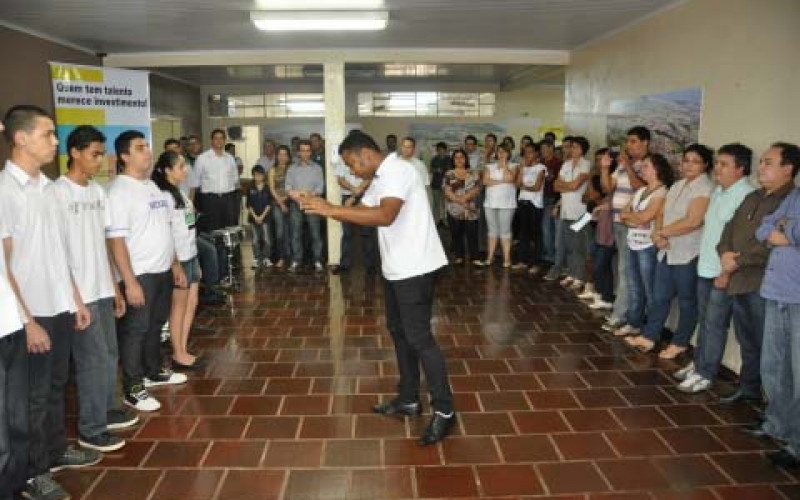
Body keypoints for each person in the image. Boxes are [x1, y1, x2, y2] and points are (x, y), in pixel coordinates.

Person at [299, 132, 455, 445]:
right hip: (397, 268)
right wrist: (319, 204)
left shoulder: (398, 171)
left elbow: (385, 215)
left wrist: (331, 209)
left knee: (420, 338)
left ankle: (445, 411)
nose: (352, 171)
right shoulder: (382, 175)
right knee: (399, 333)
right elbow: (364, 210)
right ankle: (409, 398)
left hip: (416, 268)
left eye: (351, 164)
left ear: (366, 154)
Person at [0, 105, 97, 500]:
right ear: (21, 138)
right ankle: (33, 472)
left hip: (58, 304)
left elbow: (59, 251)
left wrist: (75, 298)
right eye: (48, 134)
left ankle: (55, 450)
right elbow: (4, 265)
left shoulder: (49, 188)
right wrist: (27, 320)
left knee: (57, 384)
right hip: (30, 311)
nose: (56, 142)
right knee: (32, 399)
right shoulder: (5, 192)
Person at [53, 125, 140, 455]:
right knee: (90, 362)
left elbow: (103, 243)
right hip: (79, 294)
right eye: (95, 154)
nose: (101, 160)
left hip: (102, 287)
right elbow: (57, 252)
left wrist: (115, 287)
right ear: (74, 153)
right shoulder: (57, 194)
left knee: (109, 355)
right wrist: (75, 297)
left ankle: (109, 408)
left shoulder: (98, 192)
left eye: (103, 154)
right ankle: (91, 428)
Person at [107, 130, 188, 415]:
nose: (148, 152)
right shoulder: (118, 191)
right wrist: (129, 282)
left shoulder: (154, 188)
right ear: (125, 156)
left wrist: (176, 264)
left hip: (163, 269)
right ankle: (132, 387)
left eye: (148, 146)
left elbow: (166, 229)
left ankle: (153, 371)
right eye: (141, 148)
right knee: (135, 331)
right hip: (139, 274)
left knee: (156, 326)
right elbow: (115, 240)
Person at [675, 144, 767, 395]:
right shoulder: (718, 191)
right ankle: (699, 363)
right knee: (705, 321)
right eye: (717, 163)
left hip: (722, 273)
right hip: (705, 266)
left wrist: (724, 273)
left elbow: (741, 242)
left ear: (741, 168)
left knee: (715, 324)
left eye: (724, 164)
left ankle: (706, 373)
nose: (717, 168)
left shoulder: (746, 195)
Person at [626, 144, 714, 359]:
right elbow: (661, 214)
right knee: (660, 297)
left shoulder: (705, 187)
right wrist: (657, 234)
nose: (689, 165)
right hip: (666, 250)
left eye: (695, 161)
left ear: (705, 165)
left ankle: (680, 342)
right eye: (686, 160)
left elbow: (693, 221)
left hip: (688, 252)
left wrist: (662, 233)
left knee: (686, 300)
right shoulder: (678, 185)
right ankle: (649, 336)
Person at [746, 142, 800, 469]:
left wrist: (787, 230)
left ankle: (796, 444)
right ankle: (778, 424)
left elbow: (782, 229)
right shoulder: (792, 198)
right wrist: (780, 230)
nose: (761, 166)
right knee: (774, 367)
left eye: (768, 162)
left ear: (788, 168)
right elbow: (764, 227)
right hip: (776, 292)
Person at [151, 151, 205, 372]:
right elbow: (165, 232)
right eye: (181, 167)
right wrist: (175, 263)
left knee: (191, 303)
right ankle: (178, 353)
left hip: (190, 253)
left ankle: (182, 348)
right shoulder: (163, 197)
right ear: (167, 171)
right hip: (179, 259)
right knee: (179, 307)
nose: (185, 170)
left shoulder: (179, 193)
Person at [0, 115, 31, 500]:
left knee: (16, 416)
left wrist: (24, 316)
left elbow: (6, 262)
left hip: (11, 320)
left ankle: (16, 483)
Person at [614, 154, 671, 339]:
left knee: (650, 288)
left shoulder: (662, 192)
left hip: (648, 245)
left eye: (646, 166)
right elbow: (624, 213)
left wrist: (634, 218)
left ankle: (652, 329)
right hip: (633, 241)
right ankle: (634, 322)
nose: (641, 170)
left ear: (657, 169)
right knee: (634, 285)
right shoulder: (641, 191)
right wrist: (634, 218)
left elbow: (646, 217)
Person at [600, 127, 648, 332]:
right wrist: (604, 168)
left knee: (627, 270)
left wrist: (628, 165)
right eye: (628, 142)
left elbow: (642, 189)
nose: (629, 145)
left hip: (635, 223)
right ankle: (625, 313)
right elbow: (607, 188)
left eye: (634, 141)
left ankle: (622, 315)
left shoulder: (647, 165)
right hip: (618, 221)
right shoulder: (621, 166)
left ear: (645, 143)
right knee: (624, 268)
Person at [551, 136, 592, 289]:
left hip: (580, 212)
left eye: (575, 147)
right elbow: (556, 185)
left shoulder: (586, 164)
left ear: (582, 150)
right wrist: (566, 185)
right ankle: (572, 273)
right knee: (568, 244)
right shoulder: (566, 164)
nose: (571, 149)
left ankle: (580, 277)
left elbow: (576, 186)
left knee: (578, 245)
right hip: (566, 210)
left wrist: (565, 185)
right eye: (571, 147)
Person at [334, 146, 376, 274]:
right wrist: (354, 190)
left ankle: (370, 266)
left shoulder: (366, 160)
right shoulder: (342, 160)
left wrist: (355, 194)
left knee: (367, 233)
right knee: (347, 234)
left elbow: (370, 178)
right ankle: (344, 265)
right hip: (348, 196)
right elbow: (340, 180)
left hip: (365, 197)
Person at [475, 143, 518, 268]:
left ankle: (507, 259)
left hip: (507, 204)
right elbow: (485, 181)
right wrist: (502, 181)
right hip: (490, 203)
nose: (501, 154)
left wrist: (504, 165)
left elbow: (510, 178)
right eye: (499, 152)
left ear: (509, 153)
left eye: (504, 152)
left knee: (505, 231)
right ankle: (490, 257)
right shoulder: (489, 166)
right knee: (492, 231)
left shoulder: (514, 166)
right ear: (496, 153)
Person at [585, 149, 618, 310]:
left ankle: (605, 295)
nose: (599, 163)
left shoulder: (611, 179)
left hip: (609, 225)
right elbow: (587, 197)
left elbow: (599, 196)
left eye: (603, 160)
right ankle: (597, 292)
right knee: (594, 258)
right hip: (596, 220)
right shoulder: (599, 177)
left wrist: (602, 203)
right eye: (597, 160)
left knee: (602, 263)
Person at [286, 140, 325, 272]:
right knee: (295, 234)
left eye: (308, 150)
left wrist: (308, 197)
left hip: (313, 204)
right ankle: (296, 260)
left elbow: (320, 188)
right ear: (298, 152)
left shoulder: (317, 168)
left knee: (315, 234)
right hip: (295, 204)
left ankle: (318, 260)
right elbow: (288, 187)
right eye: (302, 150)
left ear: (311, 152)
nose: (305, 153)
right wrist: (298, 198)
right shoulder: (291, 168)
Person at [194, 129, 240, 231]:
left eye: (221, 138)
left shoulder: (230, 158)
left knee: (229, 229)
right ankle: (214, 247)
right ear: (211, 141)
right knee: (213, 229)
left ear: (225, 141)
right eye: (216, 138)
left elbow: (235, 179)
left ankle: (227, 248)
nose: (219, 141)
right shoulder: (202, 158)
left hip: (228, 199)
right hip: (210, 200)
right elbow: (195, 182)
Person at [443, 149, 481, 264]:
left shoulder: (473, 172)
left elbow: (477, 189)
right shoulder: (449, 174)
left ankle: (475, 258)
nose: (459, 160)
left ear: (466, 159)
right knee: (456, 234)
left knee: (472, 234)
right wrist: (460, 200)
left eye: (462, 157)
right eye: (456, 157)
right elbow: (447, 191)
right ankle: (459, 256)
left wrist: (465, 199)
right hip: (454, 209)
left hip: (471, 209)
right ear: (453, 160)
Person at [513, 143, 546, 273]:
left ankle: (537, 263)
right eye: (525, 152)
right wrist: (521, 170)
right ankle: (523, 261)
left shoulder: (541, 168)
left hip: (535, 204)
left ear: (536, 154)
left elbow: (537, 187)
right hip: (523, 202)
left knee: (536, 234)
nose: (528, 155)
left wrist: (524, 186)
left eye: (530, 152)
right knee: (523, 233)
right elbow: (517, 184)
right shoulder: (524, 168)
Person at [268, 145, 292, 268]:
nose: (282, 157)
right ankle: (281, 257)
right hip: (276, 203)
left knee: (291, 231)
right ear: (277, 156)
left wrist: (286, 199)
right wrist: (281, 202)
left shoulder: (292, 169)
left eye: (285, 154)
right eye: (280, 154)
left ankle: (291, 256)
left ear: (288, 156)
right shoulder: (272, 170)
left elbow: (294, 187)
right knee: (280, 231)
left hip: (291, 201)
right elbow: (272, 189)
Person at [540, 140, 563, 264]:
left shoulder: (558, 163)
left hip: (553, 199)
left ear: (551, 148)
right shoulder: (541, 162)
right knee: (545, 229)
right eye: (541, 149)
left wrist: (547, 174)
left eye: (545, 148)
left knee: (549, 229)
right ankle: (548, 254)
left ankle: (553, 256)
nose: (543, 151)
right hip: (540, 198)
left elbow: (554, 181)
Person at [246, 165, 272, 269]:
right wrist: (256, 217)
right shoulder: (250, 188)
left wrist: (261, 216)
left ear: (263, 176)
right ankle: (256, 258)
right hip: (253, 218)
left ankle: (266, 258)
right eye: (256, 175)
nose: (258, 177)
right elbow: (248, 205)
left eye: (260, 175)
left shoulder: (267, 188)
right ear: (253, 176)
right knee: (255, 239)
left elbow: (269, 204)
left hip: (265, 217)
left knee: (266, 239)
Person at [430, 141, 451, 226]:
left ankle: (444, 220)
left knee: (445, 204)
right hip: (435, 184)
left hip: (446, 185)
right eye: (438, 150)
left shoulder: (449, 159)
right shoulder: (434, 158)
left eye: (442, 150)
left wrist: (445, 170)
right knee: (436, 203)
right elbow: (430, 170)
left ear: (445, 150)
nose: (440, 151)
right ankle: (436, 220)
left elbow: (450, 170)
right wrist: (436, 170)